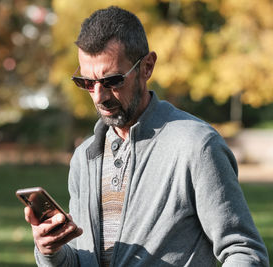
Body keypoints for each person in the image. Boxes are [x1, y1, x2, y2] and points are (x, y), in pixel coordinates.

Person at [23, 6, 269, 267]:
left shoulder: (196, 146)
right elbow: (81, 260)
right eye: (86, 82)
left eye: (113, 80)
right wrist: (51, 252)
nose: (99, 96)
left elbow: (244, 252)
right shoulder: (84, 157)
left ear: (147, 67)